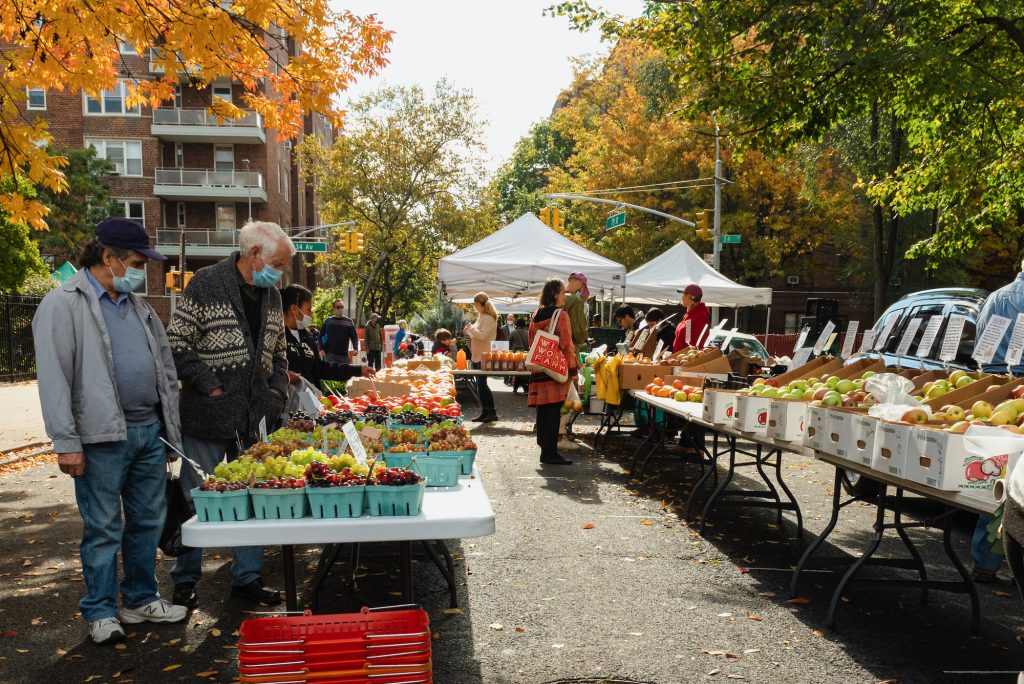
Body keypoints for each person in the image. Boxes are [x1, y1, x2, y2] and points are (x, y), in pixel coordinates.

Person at [33, 217, 188, 645]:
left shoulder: (138, 307)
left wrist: (169, 431)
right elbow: (55, 378)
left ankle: (140, 598)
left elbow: (163, 369)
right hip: (100, 440)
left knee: (146, 523)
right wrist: (66, 443)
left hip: (148, 433)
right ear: (109, 257)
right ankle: (101, 611)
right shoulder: (62, 303)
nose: (144, 270)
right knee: (102, 528)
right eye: (137, 261)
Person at [166, 220, 293, 610]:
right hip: (207, 414)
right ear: (254, 253)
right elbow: (176, 342)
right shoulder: (206, 282)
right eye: (278, 262)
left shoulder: (271, 295)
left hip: (255, 417)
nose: (281, 271)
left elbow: (280, 351)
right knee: (196, 499)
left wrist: (277, 392)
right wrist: (210, 384)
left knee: (255, 497)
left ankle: (246, 579)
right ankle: (186, 580)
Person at [969, 263, 1024, 581]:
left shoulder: (993, 298)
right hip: (1018, 392)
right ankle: (1000, 557)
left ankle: (985, 560)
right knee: (1016, 482)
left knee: (996, 475)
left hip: (989, 392)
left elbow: (982, 348)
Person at [281, 285, 374, 392]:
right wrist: (283, 376)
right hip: (287, 404)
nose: (311, 313)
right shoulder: (277, 337)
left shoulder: (307, 337)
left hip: (311, 402)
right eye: (309, 309)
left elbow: (321, 368)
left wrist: (358, 370)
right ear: (294, 309)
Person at [528, 279, 578, 465]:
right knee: (554, 410)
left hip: (541, 366)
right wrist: (572, 370)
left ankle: (545, 448)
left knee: (543, 410)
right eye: (563, 292)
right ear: (556, 294)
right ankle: (550, 453)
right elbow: (567, 345)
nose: (565, 296)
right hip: (555, 369)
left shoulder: (536, 314)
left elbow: (532, 341)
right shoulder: (561, 315)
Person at [463, 292, 499, 423]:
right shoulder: (481, 317)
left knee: (482, 384)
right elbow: (477, 336)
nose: (474, 307)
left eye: (475, 305)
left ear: (479, 304)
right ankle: (485, 411)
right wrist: (469, 331)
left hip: (485, 355)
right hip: (478, 355)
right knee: (480, 385)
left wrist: (471, 329)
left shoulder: (488, 318)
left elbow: (483, 336)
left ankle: (491, 411)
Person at [673, 284, 712, 351]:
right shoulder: (688, 315)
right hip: (679, 358)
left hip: (688, 359)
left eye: (683, 294)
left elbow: (700, 344)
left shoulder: (701, 316)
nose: (682, 297)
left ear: (689, 296)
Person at [321, 298, 359, 364]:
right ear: (334, 309)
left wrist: (355, 348)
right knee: (333, 373)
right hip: (330, 354)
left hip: (344, 355)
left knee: (345, 373)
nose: (340, 309)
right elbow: (321, 335)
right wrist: (321, 349)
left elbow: (354, 337)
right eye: (338, 307)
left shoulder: (349, 321)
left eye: (342, 307)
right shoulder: (327, 321)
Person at [565, 272, 590, 349]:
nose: (583, 288)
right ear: (580, 282)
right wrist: (585, 340)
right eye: (584, 285)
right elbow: (578, 327)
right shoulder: (575, 300)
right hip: (570, 346)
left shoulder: (561, 296)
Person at [509, 317, 531, 394]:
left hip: (517, 355)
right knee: (523, 371)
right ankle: (524, 388)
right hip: (526, 354)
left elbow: (509, 344)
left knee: (518, 372)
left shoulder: (513, 333)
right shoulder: (528, 333)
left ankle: (521, 388)